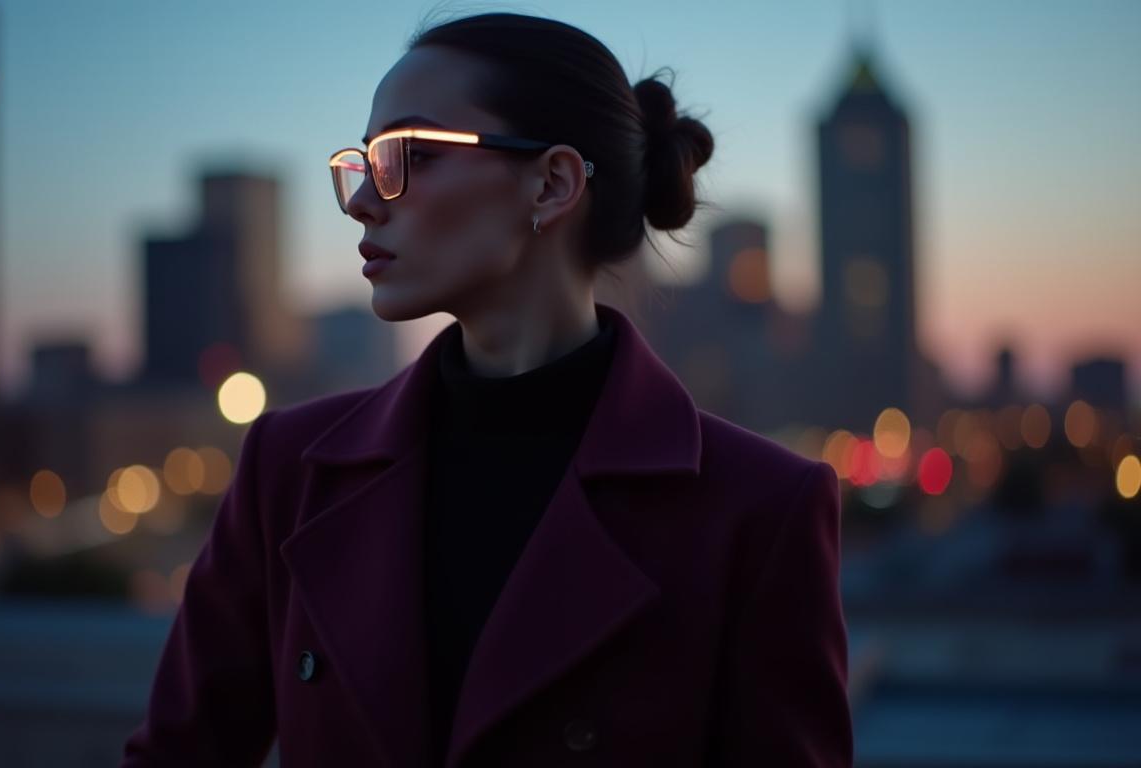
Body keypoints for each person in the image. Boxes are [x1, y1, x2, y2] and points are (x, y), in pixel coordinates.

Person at [123, 11, 852, 767]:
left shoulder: (760, 509)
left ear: (553, 183)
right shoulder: (290, 468)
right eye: (363, 165)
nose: (363, 202)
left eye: (406, 154)